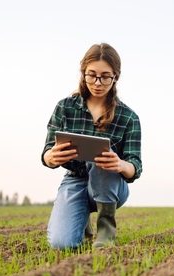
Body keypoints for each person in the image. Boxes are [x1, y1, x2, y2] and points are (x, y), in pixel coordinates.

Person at [41, 43, 142, 249]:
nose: (97, 82)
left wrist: (120, 165)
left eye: (105, 76)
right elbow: (47, 152)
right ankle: (80, 219)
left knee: (102, 158)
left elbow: (135, 166)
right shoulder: (65, 107)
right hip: (75, 181)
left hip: (112, 186)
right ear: (83, 73)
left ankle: (106, 232)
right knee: (62, 244)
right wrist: (50, 157)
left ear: (116, 77)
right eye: (91, 75)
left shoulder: (129, 117)